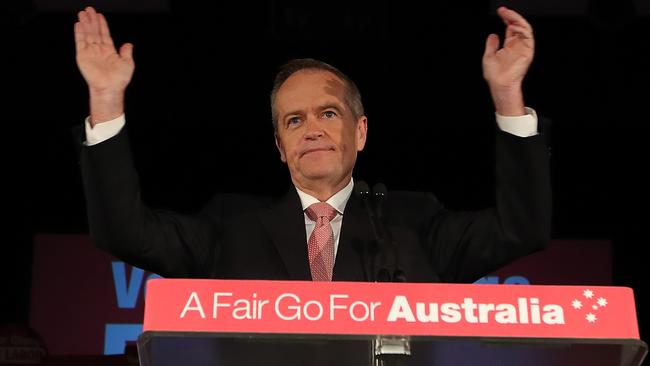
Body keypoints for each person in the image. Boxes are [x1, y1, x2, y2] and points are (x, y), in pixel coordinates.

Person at [73, 6, 550, 364]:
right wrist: (106, 98)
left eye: (328, 113)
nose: (312, 129)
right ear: (280, 145)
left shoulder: (414, 221)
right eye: (294, 120)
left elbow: (520, 228)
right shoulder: (229, 228)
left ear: (360, 131)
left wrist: (508, 96)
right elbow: (124, 232)